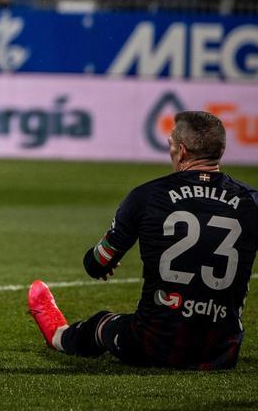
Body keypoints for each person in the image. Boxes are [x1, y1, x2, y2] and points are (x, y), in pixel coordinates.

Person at [28, 110, 258, 370]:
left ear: (181, 151)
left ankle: (59, 335)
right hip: (221, 353)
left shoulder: (148, 196)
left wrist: (102, 261)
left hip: (153, 345)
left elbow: (96, 264)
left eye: (170, 143)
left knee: (102, 324)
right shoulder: (252, 201)